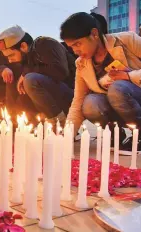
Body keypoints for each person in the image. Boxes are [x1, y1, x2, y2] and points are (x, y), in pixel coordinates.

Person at [60, 12, 141, 149]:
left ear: (94, 34)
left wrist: (129, 76)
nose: (75, 51)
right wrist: (67, 135)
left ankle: (139, 133)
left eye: (78, 44)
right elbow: (78, 100)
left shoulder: (127, 40)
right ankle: (114, 133)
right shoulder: (81, 63)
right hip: (117, 105)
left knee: (117, 88)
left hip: (135, 95)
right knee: (90, 103)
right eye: (72, 47)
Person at [0, 25, 75, 126]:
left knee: (30, 80)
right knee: (19, 88)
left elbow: (61, 71)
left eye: (11, 55)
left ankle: (62, 125)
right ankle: (34, 124)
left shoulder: (45, 43)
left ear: (23, 46)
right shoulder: (27, 59)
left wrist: (26, 73)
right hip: (56, 96)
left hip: (72, 96)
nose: (10, 60)